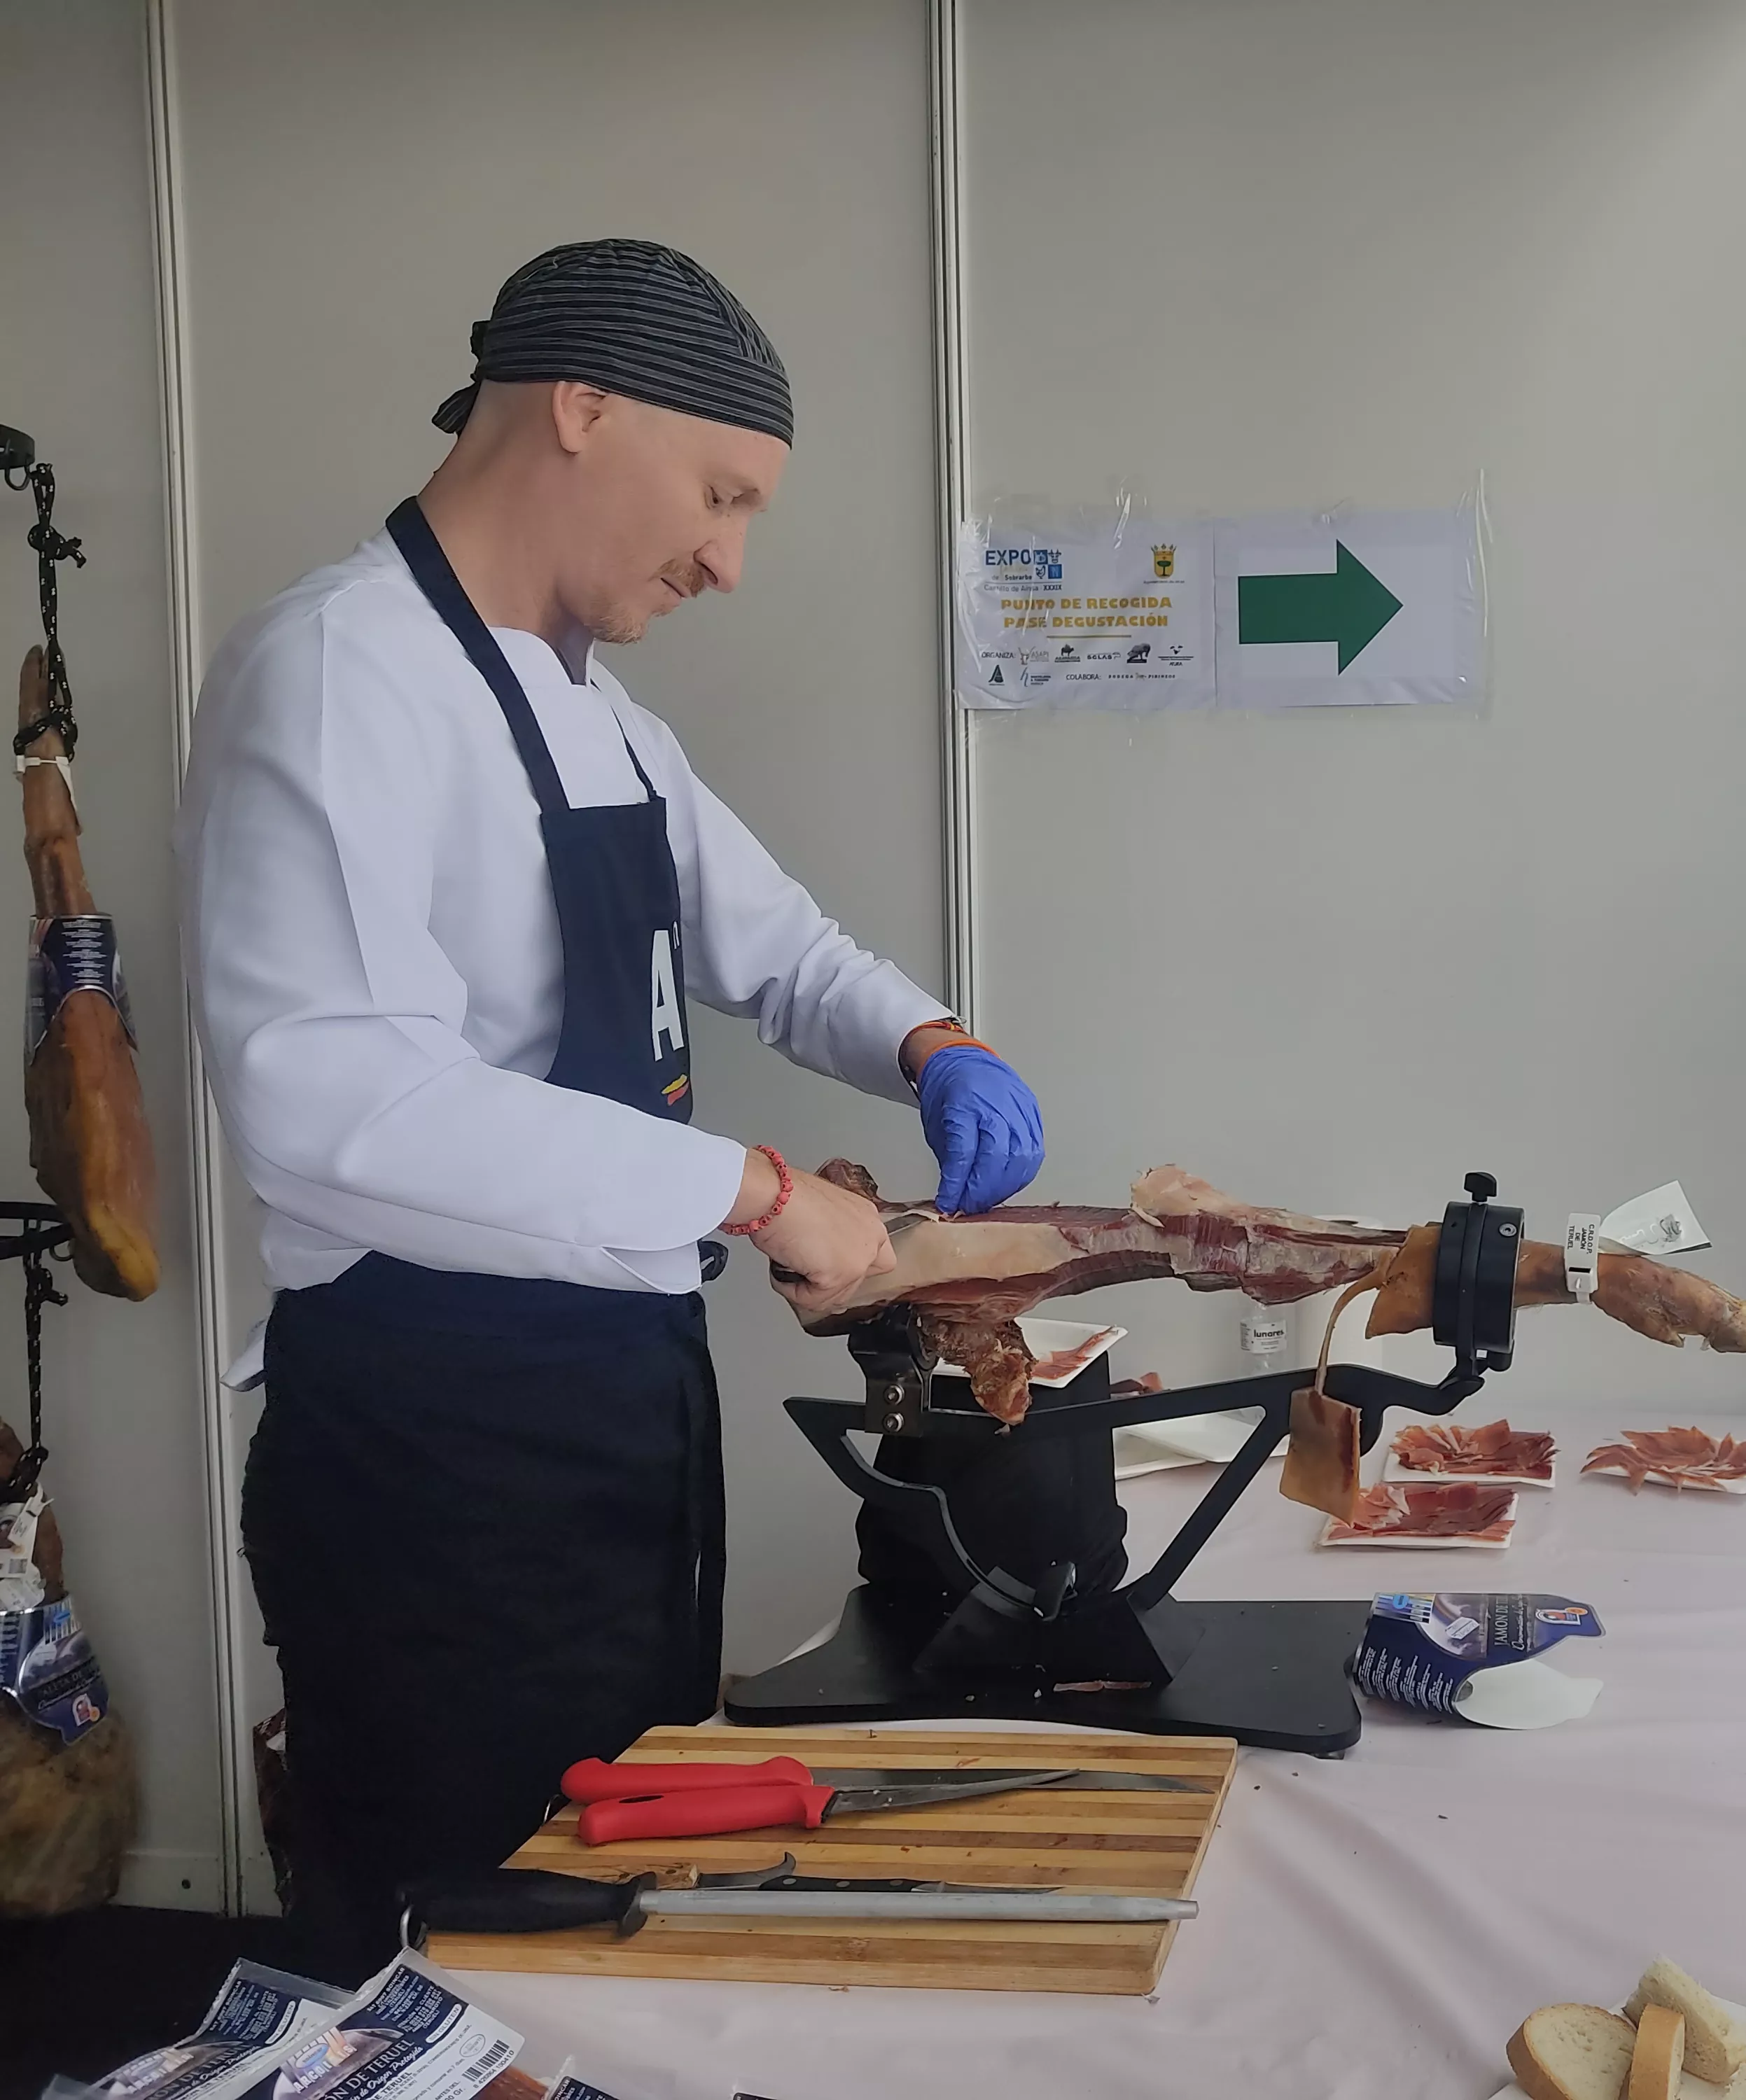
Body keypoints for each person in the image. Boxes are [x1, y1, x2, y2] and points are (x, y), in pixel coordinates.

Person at [174, 240, 1049, 1982]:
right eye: (722, 496)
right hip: (433, 1441)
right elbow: (342, 1094)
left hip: (621, 1405)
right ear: (579, 407)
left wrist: (928, 1039)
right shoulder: (339, 672)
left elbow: (774, 944)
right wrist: (757, 1189)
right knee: (451, 1934)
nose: (729, 561)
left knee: (612, 1892)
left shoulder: (601, 715)